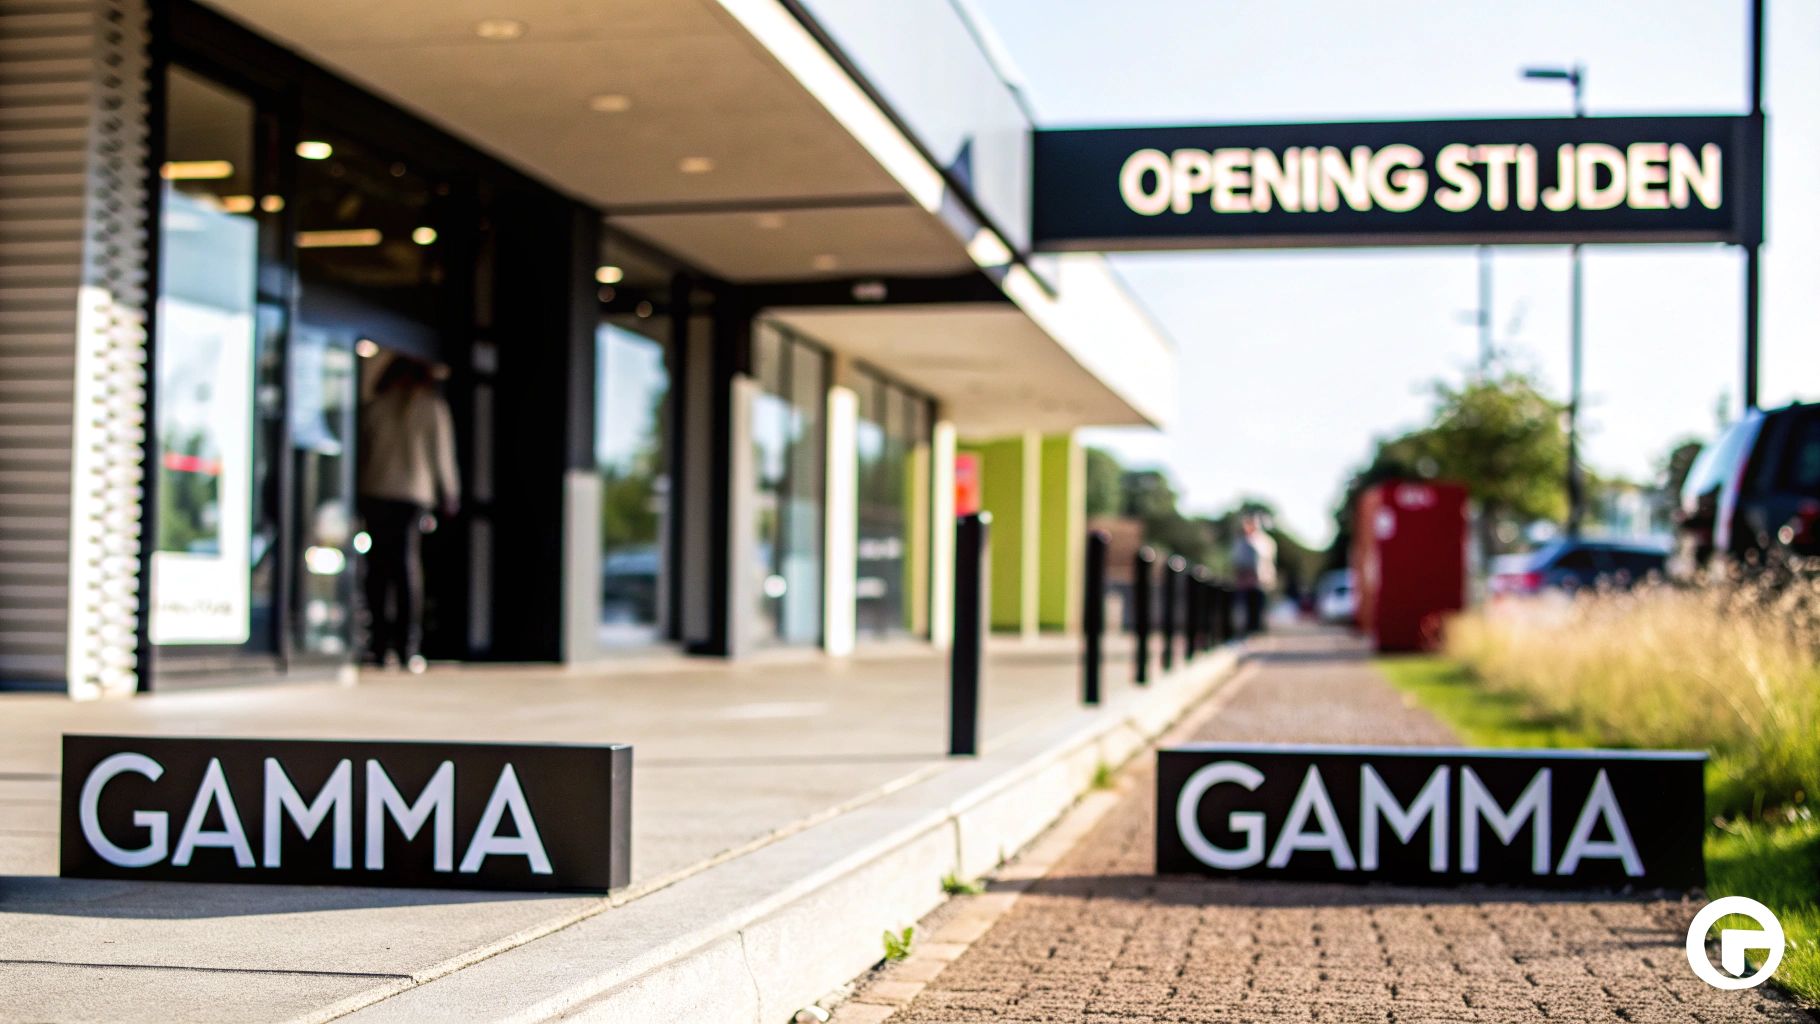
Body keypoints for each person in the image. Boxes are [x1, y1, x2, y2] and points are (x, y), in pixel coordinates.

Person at [358, 354, 458, 673]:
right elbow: (442, 455)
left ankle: (379, 644)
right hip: (410, 494)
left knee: (379, 569)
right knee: (404, 569)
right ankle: (406, 647)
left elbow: (363, 452)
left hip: (376, 491)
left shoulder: (377, 406)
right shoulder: (432, 409)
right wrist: (450, 493)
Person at [1230, 513, 1277, 635]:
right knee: (1246, 606)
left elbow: (1266, 561)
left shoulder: (1264, 541)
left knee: (1258, 606)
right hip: (1245, 580)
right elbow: (1236, 561)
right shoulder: (1240, 541)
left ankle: (1257, 628)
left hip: (1259, 580)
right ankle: (1247, 630)